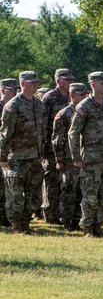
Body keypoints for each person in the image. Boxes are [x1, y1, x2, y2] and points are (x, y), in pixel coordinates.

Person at [69, 72, 103, 238]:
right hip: (91, 159)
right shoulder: (85, 106)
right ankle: (88, 228)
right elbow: (73, 132)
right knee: (90, 195)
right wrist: (76, 157)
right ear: (93, 84)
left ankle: (99, 226)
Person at [0, 71, 46, 234]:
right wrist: (3, 157)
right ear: (23, 83)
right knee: (15, 195)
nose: (35, 85)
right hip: (17, 158)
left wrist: (42, 153)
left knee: (34, 195)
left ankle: (26, 223)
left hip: (34, 157)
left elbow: (42, 131)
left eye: (36, 82)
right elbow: (6, 133)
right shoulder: (13, 105)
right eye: (31, 82)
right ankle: (16, 226)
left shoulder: (39, 105)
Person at [52, 82, 88, 231]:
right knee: (68, 190)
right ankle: (66, 220)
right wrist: (59, 159)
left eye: (85, 94)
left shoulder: (86, 111)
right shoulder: (64, 114)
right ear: (72, 95)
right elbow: (57, 139)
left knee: (80, 190)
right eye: (80, 94)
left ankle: (76, 219)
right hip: (68, 159)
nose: (83, 97)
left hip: (82, 157)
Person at [40, 68, 75, 224]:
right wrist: (43, 147)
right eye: (67, 80)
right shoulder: (49, 98)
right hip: (50, 148)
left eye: (70, 80)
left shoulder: (71, 97)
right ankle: (50, 215)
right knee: (51, 182)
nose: (69, 83)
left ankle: (64, 213)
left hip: (67, 149)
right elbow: (42, 123)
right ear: (58, 80)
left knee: (66, 183)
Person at [0, 78, 18, 229]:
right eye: (11, 89)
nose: (14, 91)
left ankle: (5, 216)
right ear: (2, 90)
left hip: (9, 151)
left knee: (7, 186)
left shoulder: (15, 106)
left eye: (15, 89)